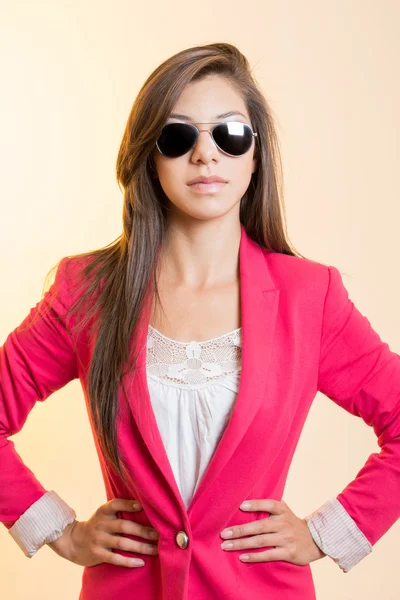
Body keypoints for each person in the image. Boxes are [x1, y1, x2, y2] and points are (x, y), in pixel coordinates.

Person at [1, 42, 399, 600]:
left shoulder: (310, 297)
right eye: (178, 135)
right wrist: (58, 530)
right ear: (149, 156)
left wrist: (326, 533)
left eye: (230, 134)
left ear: (255, 156)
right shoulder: (86, 291)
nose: (205, 155)